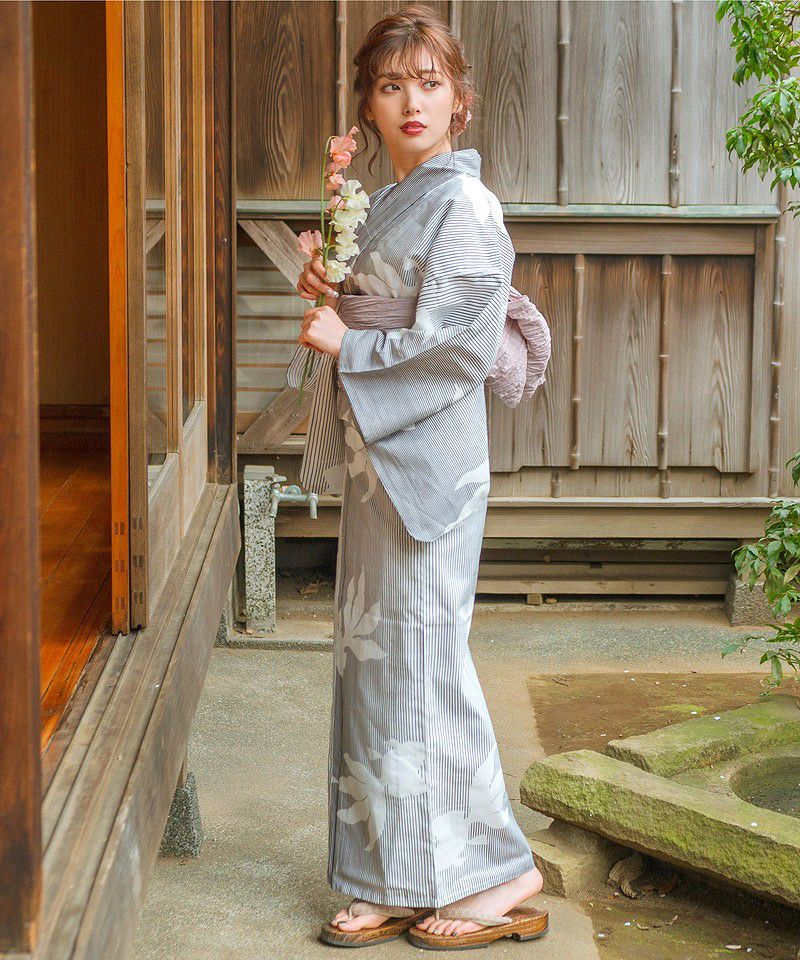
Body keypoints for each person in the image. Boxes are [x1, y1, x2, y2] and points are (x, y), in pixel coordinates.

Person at [294, 5, 547, 949]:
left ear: (459, 103)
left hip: (429, 461)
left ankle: (500, 870)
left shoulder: (466, 207)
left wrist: (350, 341)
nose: (411, 101)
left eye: (429, 84)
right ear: (368, 103)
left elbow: (461, 343)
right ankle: (397, 874)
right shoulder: (395, 197)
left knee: (427, 662)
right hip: (381, 459)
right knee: (380, 664)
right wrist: (332, 288)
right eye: (391, 84)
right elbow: (374, 304)